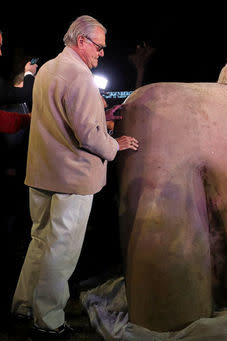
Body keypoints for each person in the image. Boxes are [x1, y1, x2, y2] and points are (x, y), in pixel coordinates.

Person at [9, 15, 139, 339]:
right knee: (61, 250)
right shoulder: (79, 76)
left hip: (41, 173)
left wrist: (100, 114)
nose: (102, 53)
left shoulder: (49, 69)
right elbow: (88, 136)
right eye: (99, 46)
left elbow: (61, 117)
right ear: (82, 41)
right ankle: (48, 320)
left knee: (39, 242)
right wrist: (115, 144)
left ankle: (24, 307)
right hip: (72, 178)